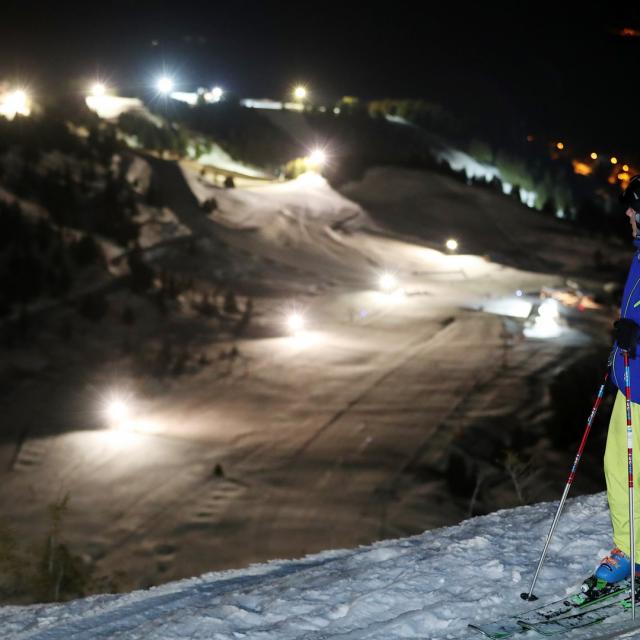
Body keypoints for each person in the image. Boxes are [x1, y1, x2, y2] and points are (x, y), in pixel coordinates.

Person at [589, 175, 640, 589]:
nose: (628, 213)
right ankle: (631, 549)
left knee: (633, 474)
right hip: (631, 385)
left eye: (635, 207)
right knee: (617, 469)